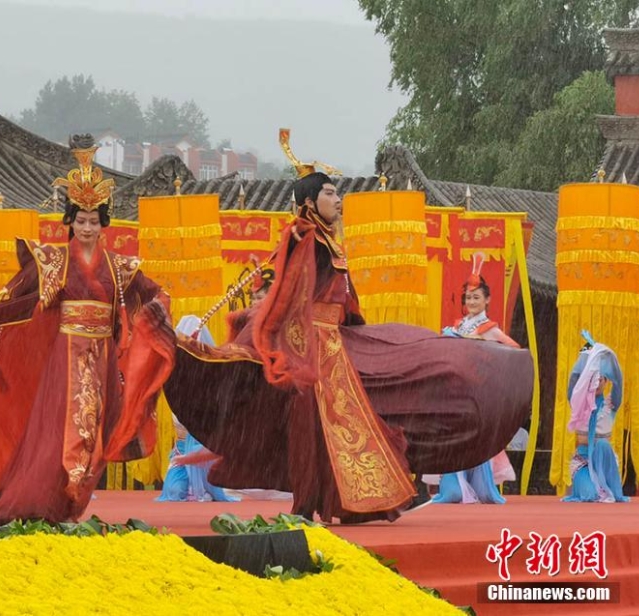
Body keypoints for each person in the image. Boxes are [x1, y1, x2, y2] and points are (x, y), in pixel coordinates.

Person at [164, 128, 534, 523]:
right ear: (309, 202)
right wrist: (285, 348)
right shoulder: (303, 236)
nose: (338, 199)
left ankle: (353, 504)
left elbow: (344, 299)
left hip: (336, 344)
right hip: (313, 350)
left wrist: (359, 329)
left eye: (337, 193)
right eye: (329, 194)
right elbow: (290, 296)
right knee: (318, 428)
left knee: (354, 422)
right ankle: (309, 504)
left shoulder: (326, 240)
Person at [0, 134, 175, 523]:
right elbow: (7, 299)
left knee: (94, 435)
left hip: (101, 360)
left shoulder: (120, 268)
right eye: (80, 221)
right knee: (57, 434)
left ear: (103, 225)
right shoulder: (52, 262)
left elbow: (157, 293)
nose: (86, 228)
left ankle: (68, 503)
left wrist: (155, 314)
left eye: (93, 222)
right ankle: (41, 500)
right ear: (70, 223)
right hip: (63, 360)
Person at [429, 256, 518, 504]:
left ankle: (476, 485)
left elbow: (513, 348)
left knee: (474, 436)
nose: (472, 302)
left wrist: (480, 345)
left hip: (478, 389)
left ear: (487, 300)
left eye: (477, 297)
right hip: (458, 388)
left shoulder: (489, 328)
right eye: (468, 298)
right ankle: (455, 485)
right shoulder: (459, 325)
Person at [156, 316, 238, 503]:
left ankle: (203, 483)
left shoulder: (212, 381)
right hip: (181, 449)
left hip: (203, 448)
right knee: (174, 493)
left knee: (205, 493)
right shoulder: (173, 377)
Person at [563, 332, 629, 503]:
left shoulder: (611, 405)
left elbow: (619, 382)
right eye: (592, 378)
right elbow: (574, 378)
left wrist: (606, 356)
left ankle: (607, 483)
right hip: (583, 462)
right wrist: (588, 356)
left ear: (606, 381)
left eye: (601, 379)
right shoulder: (578, 402)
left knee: (602, 444)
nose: (597, 382)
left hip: (605, 463)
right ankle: (589, 483)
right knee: (590, 495)